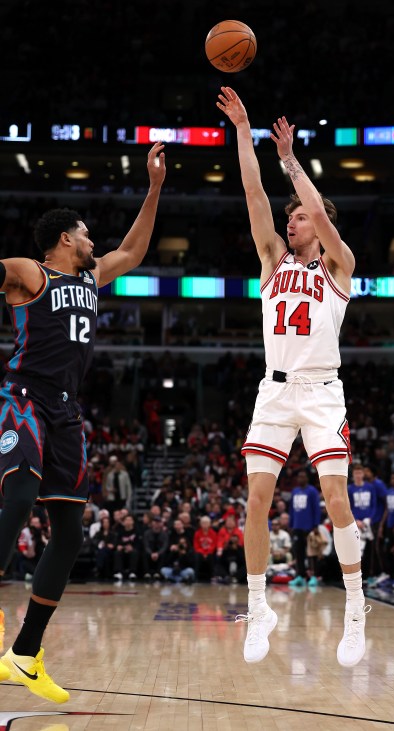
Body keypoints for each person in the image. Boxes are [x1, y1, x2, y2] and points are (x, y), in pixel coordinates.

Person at [0, 141, 166, 702]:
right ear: (66, 238)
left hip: (67, 411)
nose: (96, 243)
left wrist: (155, 187)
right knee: (19, 499)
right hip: (24, 397)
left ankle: (24, 653)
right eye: (89, 234)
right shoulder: (31, 273)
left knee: (68, 534)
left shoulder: (93, 280)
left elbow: (136, 250)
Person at [217, 86, 369, 668]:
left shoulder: (339, 267)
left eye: (301, 214)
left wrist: (291, 160)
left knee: (335, 495)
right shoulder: (272, 261)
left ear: (321, 222)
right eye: (292, 214)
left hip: (323, 393)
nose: (292, 218)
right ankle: (259, 608)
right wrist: (243, 129)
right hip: (274, 391)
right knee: (256, 501)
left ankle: (356, 606)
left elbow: (309, 203)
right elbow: (254, 194)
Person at [288, 470, 321, 587]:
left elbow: (316, 509)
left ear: (307, 478)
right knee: (298, 553)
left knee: (311, 554)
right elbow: (291, 510)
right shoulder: (295, 491)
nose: (301, 478)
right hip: (297, 526)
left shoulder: (312, 491)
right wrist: (291, 524)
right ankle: (300, 576)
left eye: (303, 476)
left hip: (309, 527)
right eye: (299, 476)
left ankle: (313, 576)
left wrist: (316, 525)